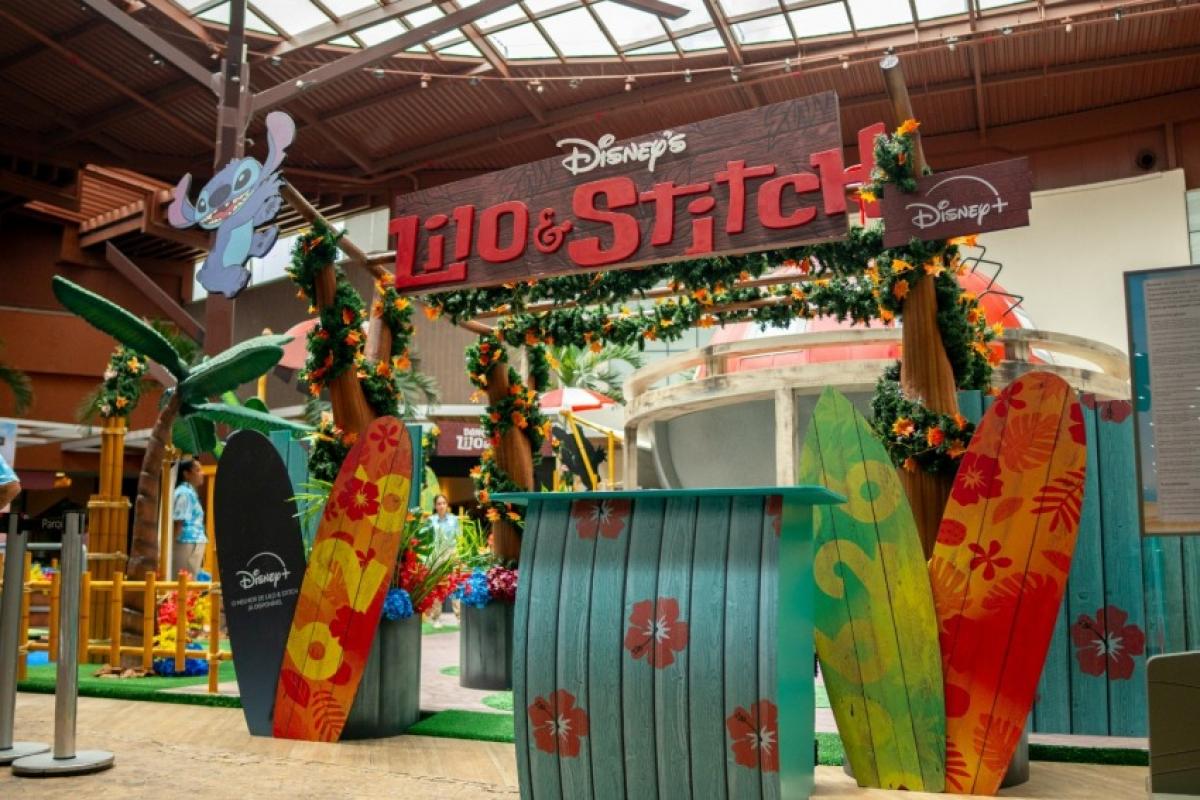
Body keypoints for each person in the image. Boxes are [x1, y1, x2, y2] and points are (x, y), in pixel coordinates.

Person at [426, 494, 460, 627]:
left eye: (444, 503)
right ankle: (436, 618)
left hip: (451, 555)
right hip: (436, 556)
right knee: (437, 587)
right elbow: (427, 540)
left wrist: (456, 556)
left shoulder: (454, 520)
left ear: (447, 505)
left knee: (454, 585)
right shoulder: (431, 520)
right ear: (435, 506)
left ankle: (459, 618)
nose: (441, 506)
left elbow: (458, 538)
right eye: (439, 503)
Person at [172, 458, 206, 578]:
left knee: (186, 581)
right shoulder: (184, 493)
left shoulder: (188, 492)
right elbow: (178, 521)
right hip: (186, 542)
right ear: (186, 474)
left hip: (191, 542)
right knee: (183, 581)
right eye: (197, 470)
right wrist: (171, 546)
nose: (202, 473)